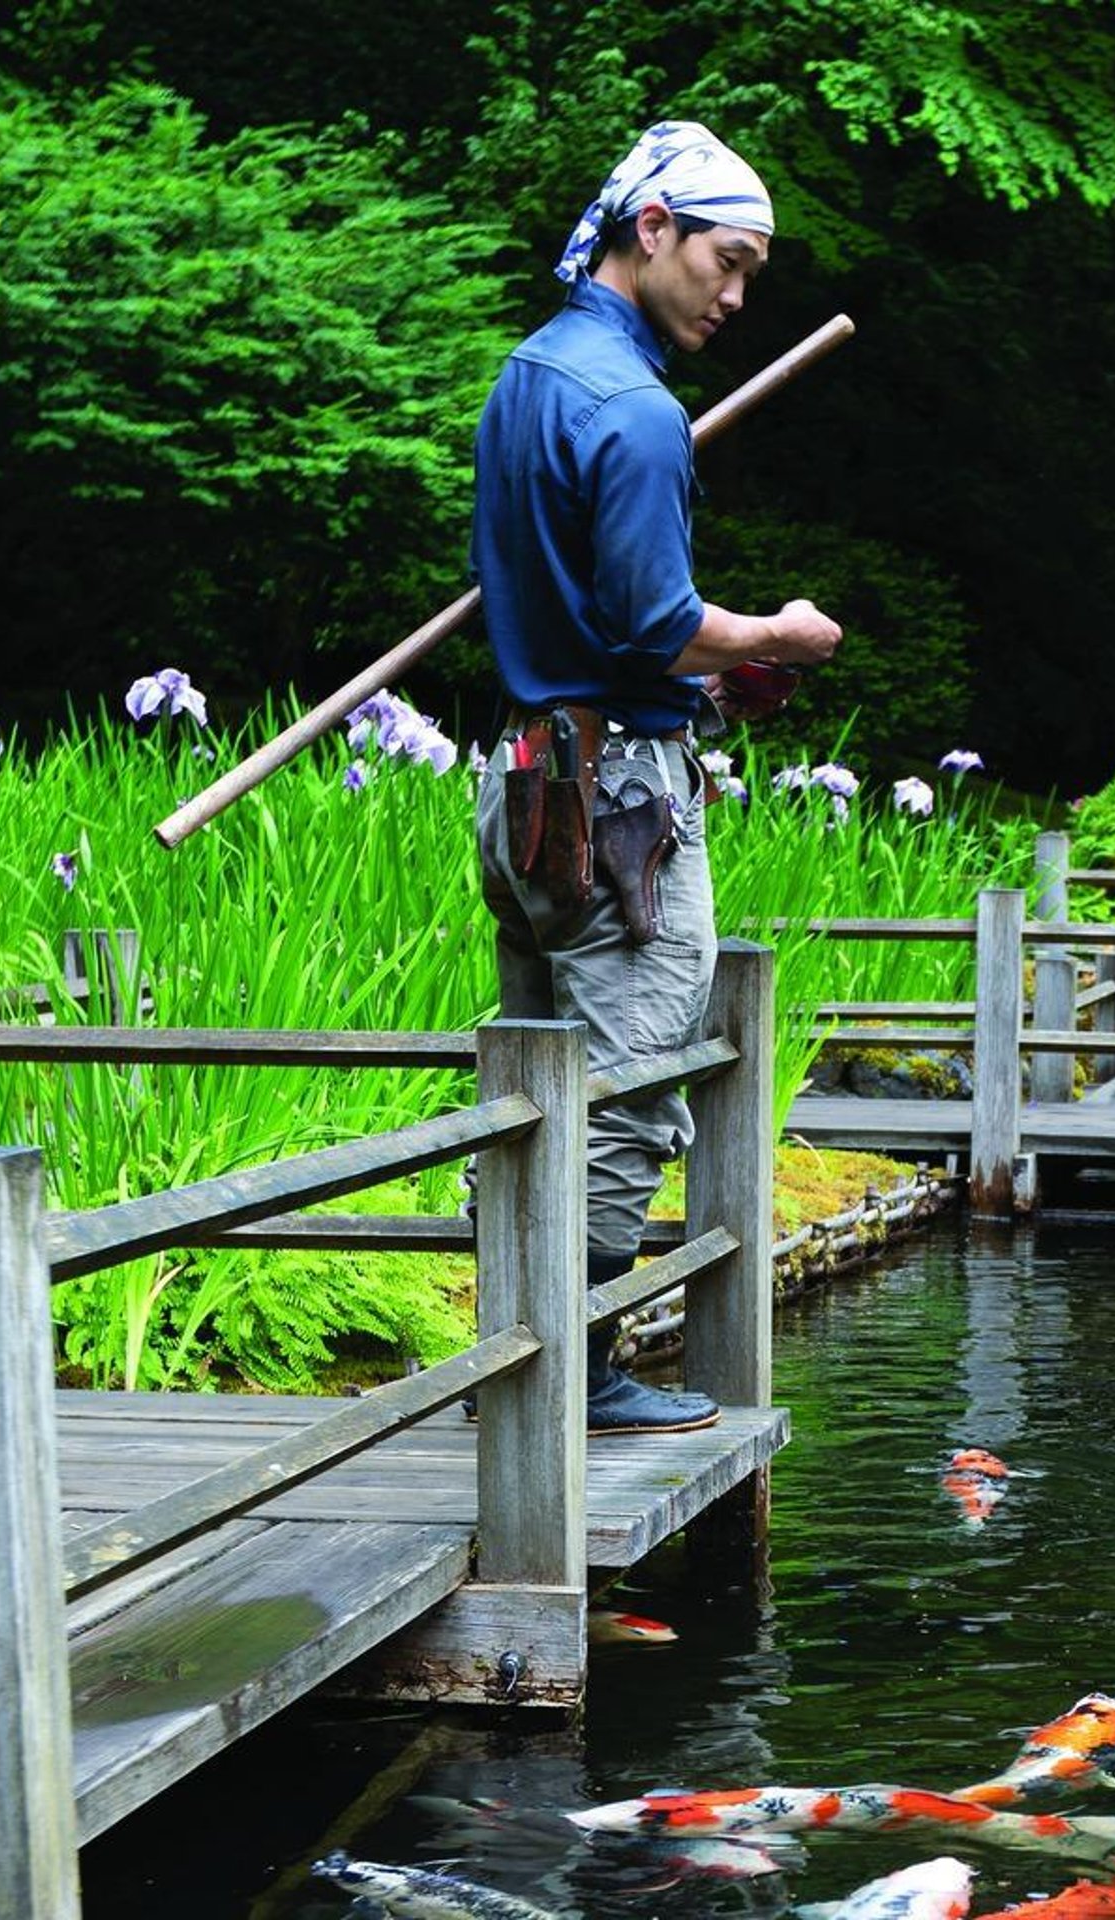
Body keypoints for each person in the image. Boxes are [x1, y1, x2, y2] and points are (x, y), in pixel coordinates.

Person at [474, 121, 840, 1435]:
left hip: (523, 769)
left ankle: (511, 1357)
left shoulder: (531, 375)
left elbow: (586, 617)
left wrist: (693, 668)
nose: (735, 298)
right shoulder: (631, 411)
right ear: (654, 233)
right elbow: (651, 624)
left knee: (531, 1084)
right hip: (619, 796)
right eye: (726, 263)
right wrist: (773, 637)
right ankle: (573, 1372)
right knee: (628, 1086)